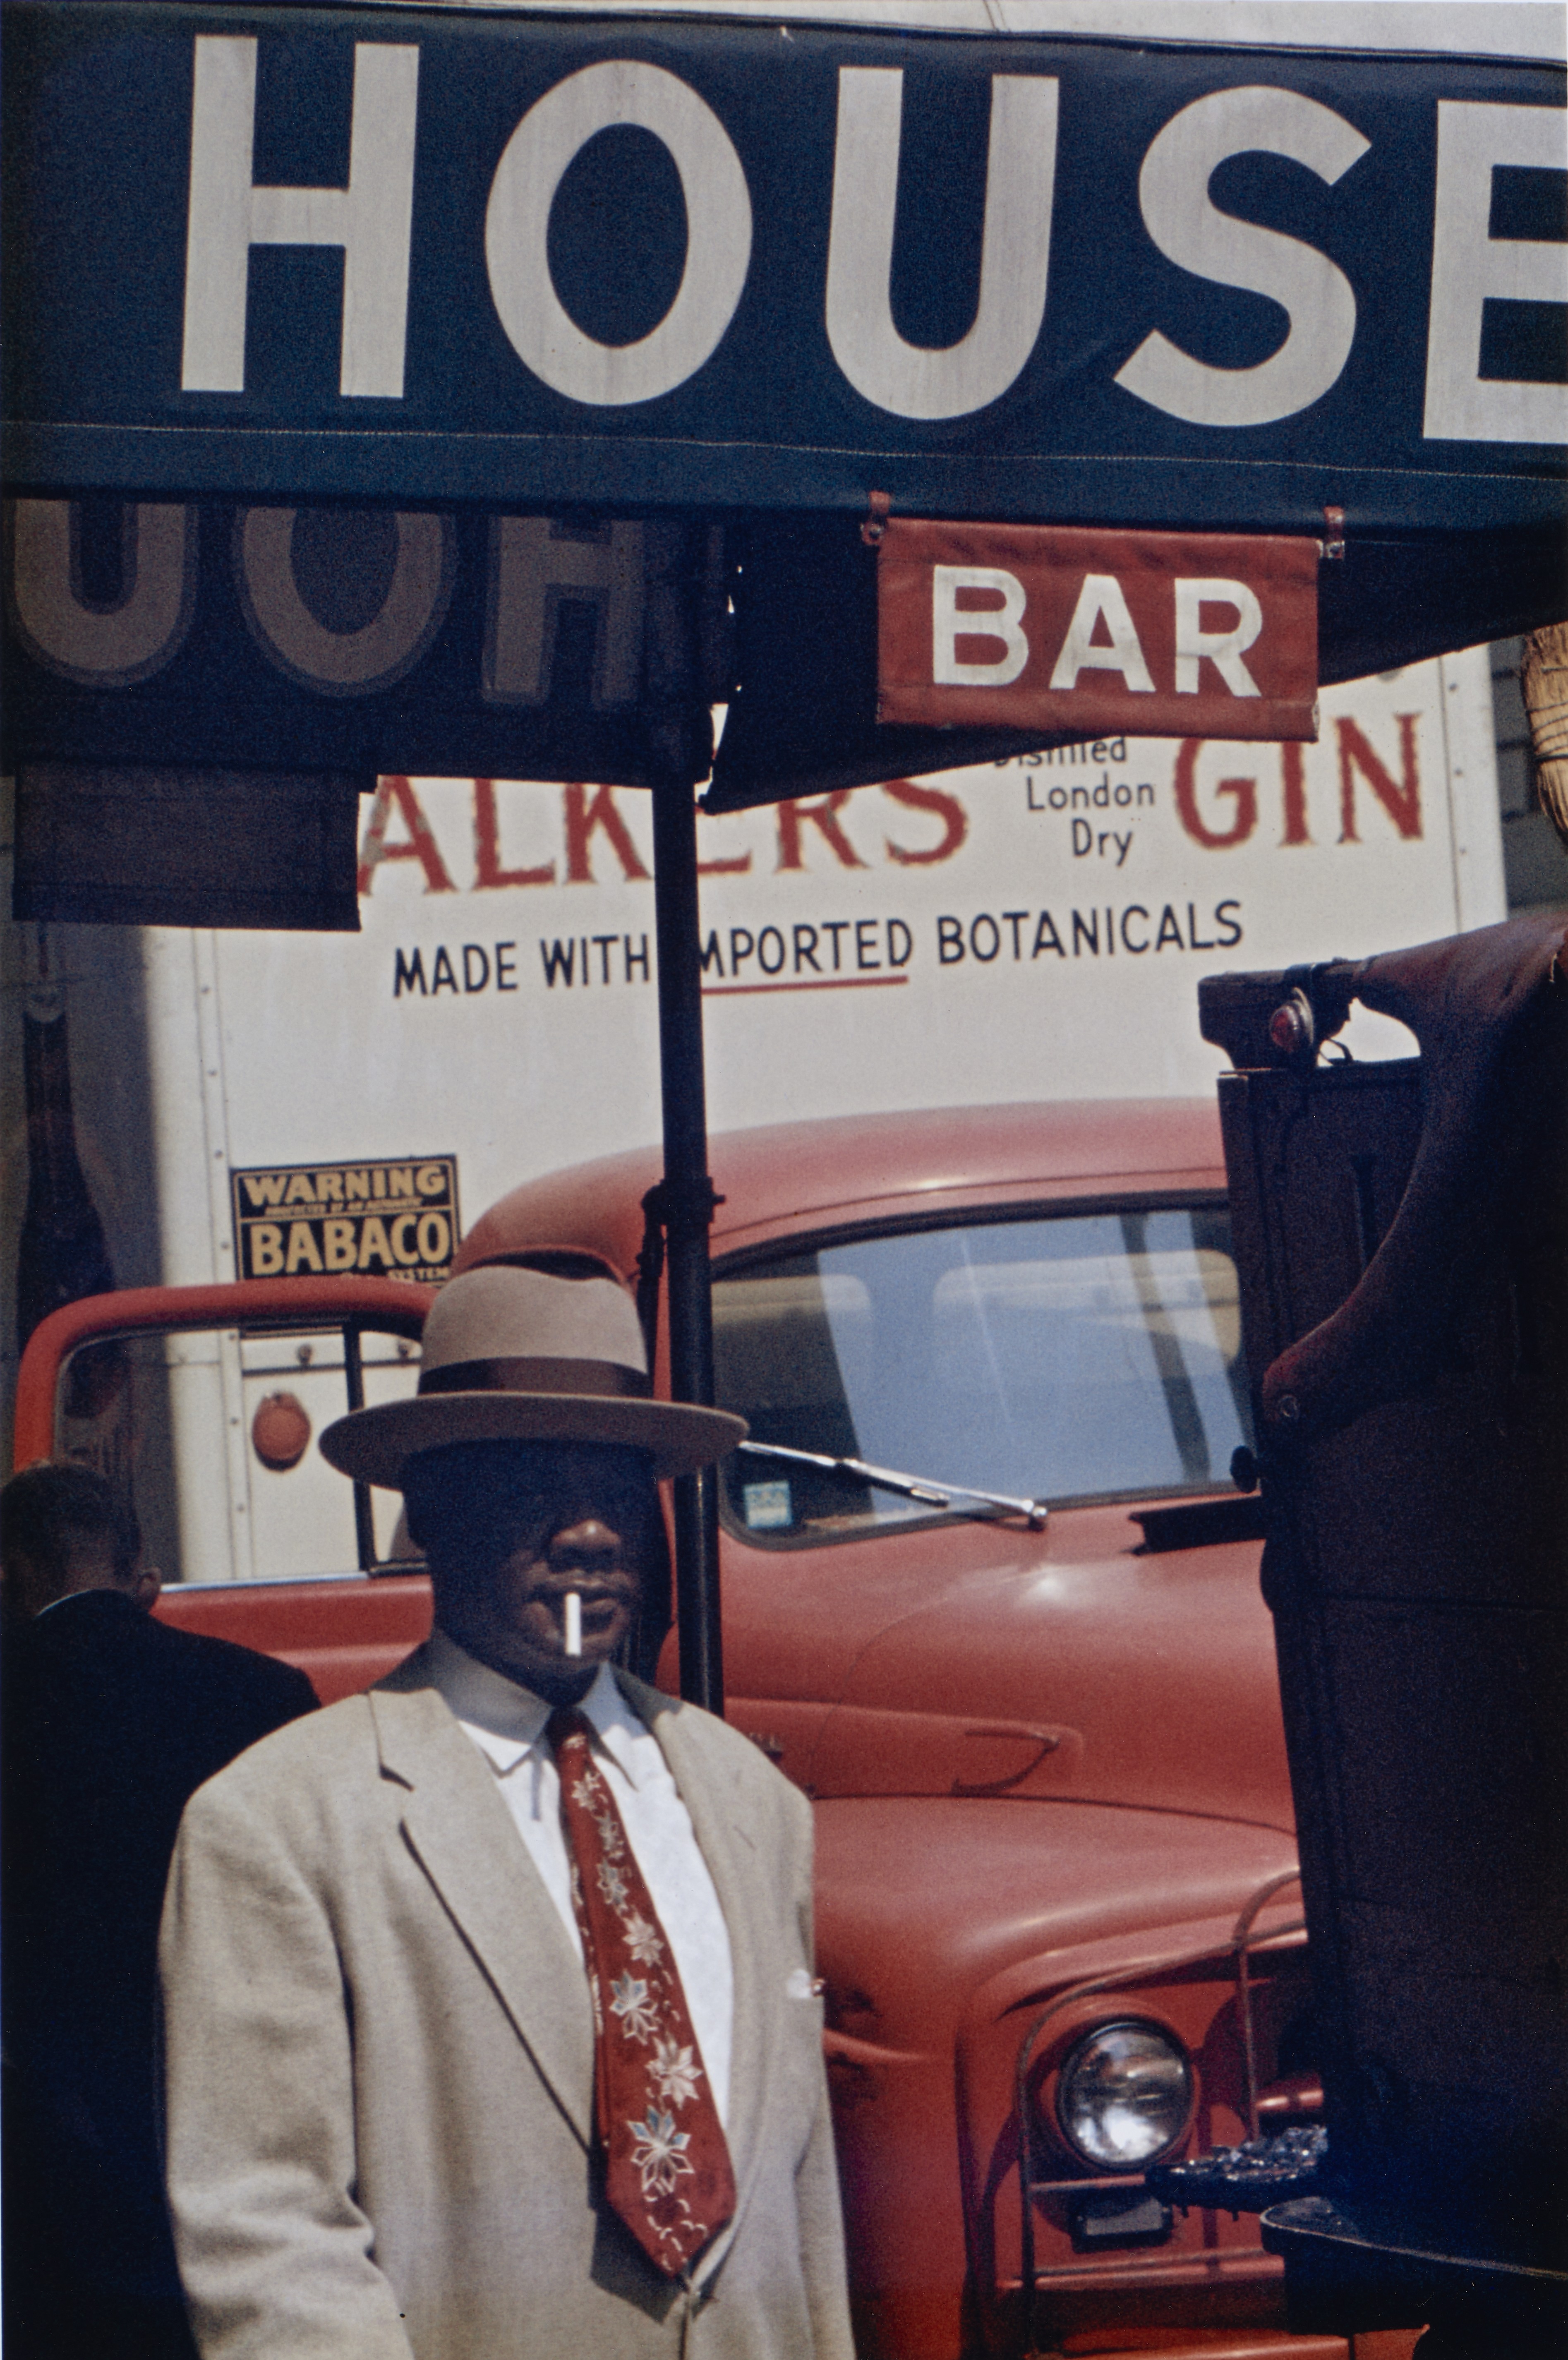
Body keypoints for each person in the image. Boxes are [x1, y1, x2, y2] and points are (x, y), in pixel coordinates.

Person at [158, 1264, 854, 2360]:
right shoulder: (279, 1829)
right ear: (428, 1507)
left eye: (619, 1483)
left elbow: (802, 2211)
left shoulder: (750, 1803)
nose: (589, 1532)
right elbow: (270, 2244)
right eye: (534, 1479)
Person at [1, 1458, 317, 2360]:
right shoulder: (265, 1691)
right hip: (232, 2125)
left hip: (46, 2149)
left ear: (13, 1568)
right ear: (137, 1565)